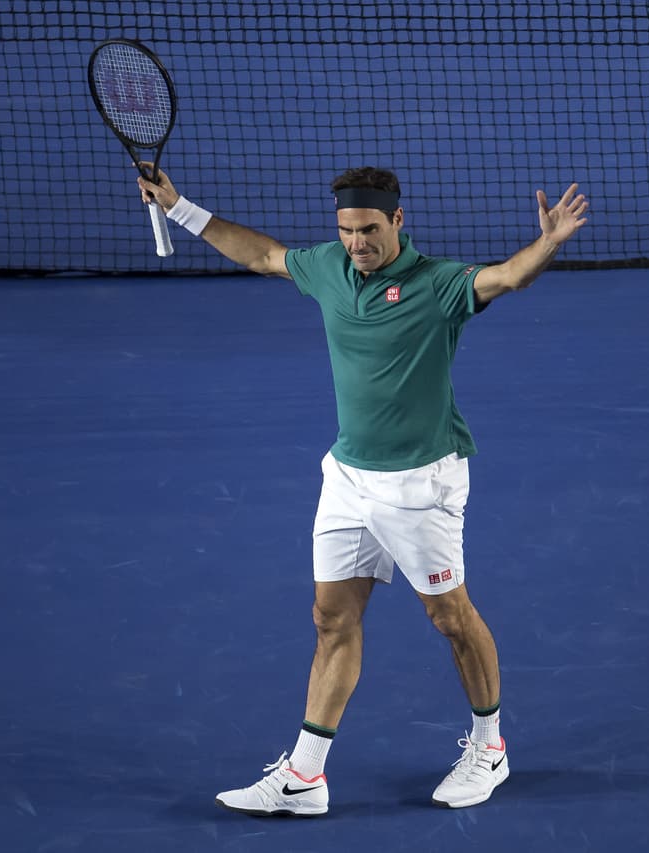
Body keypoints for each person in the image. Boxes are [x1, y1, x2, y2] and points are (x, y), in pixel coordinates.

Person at [136, 165, 589, 816]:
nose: (357, 243)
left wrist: (545, 243)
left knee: (450, 618)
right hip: (347, 477)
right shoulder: (327, 267)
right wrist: (178, 207)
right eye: (347, 231)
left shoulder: (437, 286)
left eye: (369, 230)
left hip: (420, 485)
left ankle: (490, 747)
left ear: (398, 221)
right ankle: (304, 775)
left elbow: (506, 276)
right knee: (331, 618)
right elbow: (262, 254)